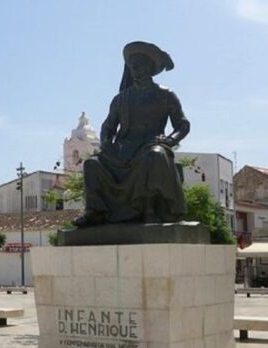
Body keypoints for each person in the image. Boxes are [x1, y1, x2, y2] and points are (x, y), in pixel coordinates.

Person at [74, 41, 190, 227]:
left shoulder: (165, 95)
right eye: (132, 66)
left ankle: (149, 209)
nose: (135, 69)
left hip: (151, 145)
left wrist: (169, 140)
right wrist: (106, 143)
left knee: (155, 155)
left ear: (149, 67)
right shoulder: (121, 98)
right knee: (91, 164)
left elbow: (183, 124)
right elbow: (108, 127)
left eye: (139, 65)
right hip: (123, 150)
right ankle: (95, 211)